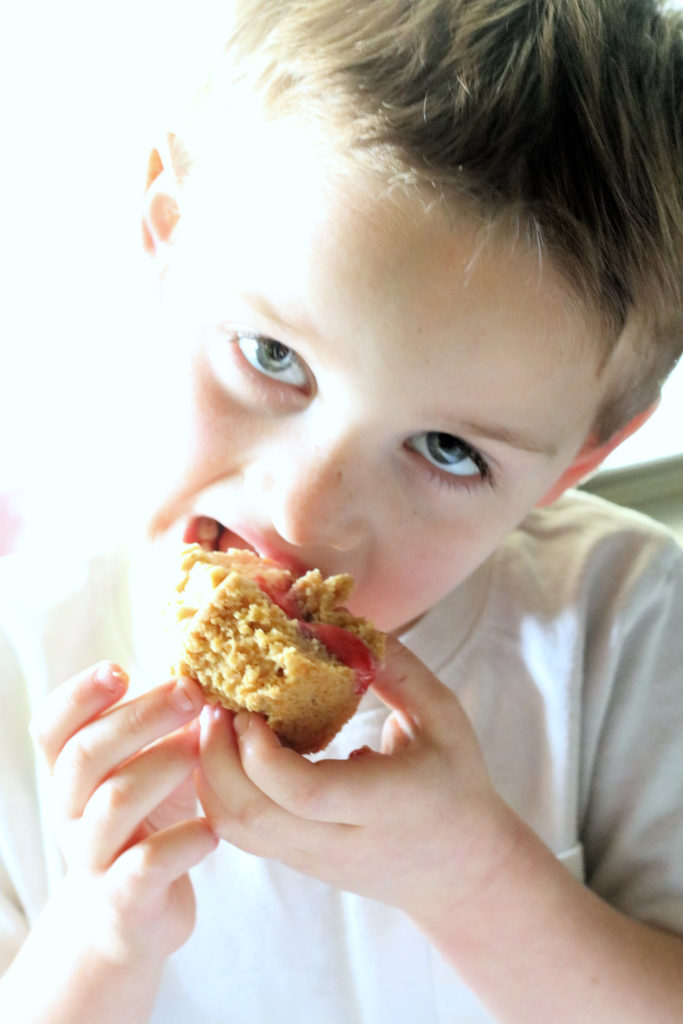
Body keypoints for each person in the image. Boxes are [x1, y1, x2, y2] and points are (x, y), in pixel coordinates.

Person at [1, 0, 682, 1020]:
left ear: (574, 462)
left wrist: (470, 875)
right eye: (272, 357)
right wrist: (101, 939)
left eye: (446, 450)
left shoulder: (626, 625)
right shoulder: (26, 646)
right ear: (168, 235)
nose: (304, 508)